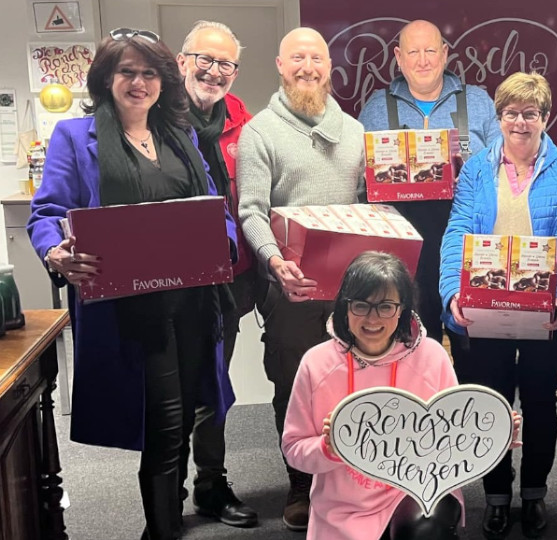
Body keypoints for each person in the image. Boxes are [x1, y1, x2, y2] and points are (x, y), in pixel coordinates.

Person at [27, 28, 238, 540]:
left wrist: (225, 240)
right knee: (164, 427)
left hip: (192, 302)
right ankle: (162, 531)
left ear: (164, 82)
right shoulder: (75, 137)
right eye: (127, 71)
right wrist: (55, 251)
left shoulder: (180, 137)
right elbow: (48, 213)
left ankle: (166, 520)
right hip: (133, 312)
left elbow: (216, 209)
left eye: (149, 73)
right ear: (107, 79)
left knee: (186, 414)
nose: (138, 82)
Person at [439, 72, 557, 539]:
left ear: (544, 117)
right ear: (498, 117)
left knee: (541, 404)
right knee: (491, 404)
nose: (520, 122)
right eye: (511, 113)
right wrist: (450, 292)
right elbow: (456, 231)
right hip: (484, 304)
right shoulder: (477, 168)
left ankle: (535, 495)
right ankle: (497, 497)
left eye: (530, 113)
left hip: (543, 308)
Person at [282, 251, 510, 540]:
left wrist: (492, 436)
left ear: (402, 309)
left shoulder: (432, 356)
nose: (373, 318)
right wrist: (329, 449)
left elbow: (454, 442)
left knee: (425, 530)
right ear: (345, 307)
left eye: (386, 306)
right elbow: (294, 448)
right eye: (361, 306)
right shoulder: (317, 364)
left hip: (417, 494)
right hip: (345, 506)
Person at [237, 26, 365, 531]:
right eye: (297, 58)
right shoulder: (260, 132)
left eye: (316, 58)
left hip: (350, 289)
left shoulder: (353, 130)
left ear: (329, 67)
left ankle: (354, 473)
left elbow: (366, 204)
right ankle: (299, 483)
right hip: (287, 286)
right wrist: (273, 259)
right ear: (279, 65)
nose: (307, 66)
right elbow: (250, 211)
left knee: (352, 383)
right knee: (293, 384)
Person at [358, 19, 499, 344]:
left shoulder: (478, 103)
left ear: (445, 54)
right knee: (414, 343)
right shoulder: (376, 109)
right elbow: (360, 184)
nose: (423, 60)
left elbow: (502, 168)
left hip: (468, 244)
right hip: (403, 251)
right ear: (398, 56)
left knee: (473, 343)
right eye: (414, 51)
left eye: (430, 50)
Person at [176, 20, 257, 528]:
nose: (214, 70)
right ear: (181, 61)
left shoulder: (246, 124)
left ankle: (211, 484)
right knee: (172, 382)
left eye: (225, 63)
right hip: (173, 277)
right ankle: (166, 484)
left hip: (232, 274)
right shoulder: (156, 121)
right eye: (204, 59)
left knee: (214, 377)